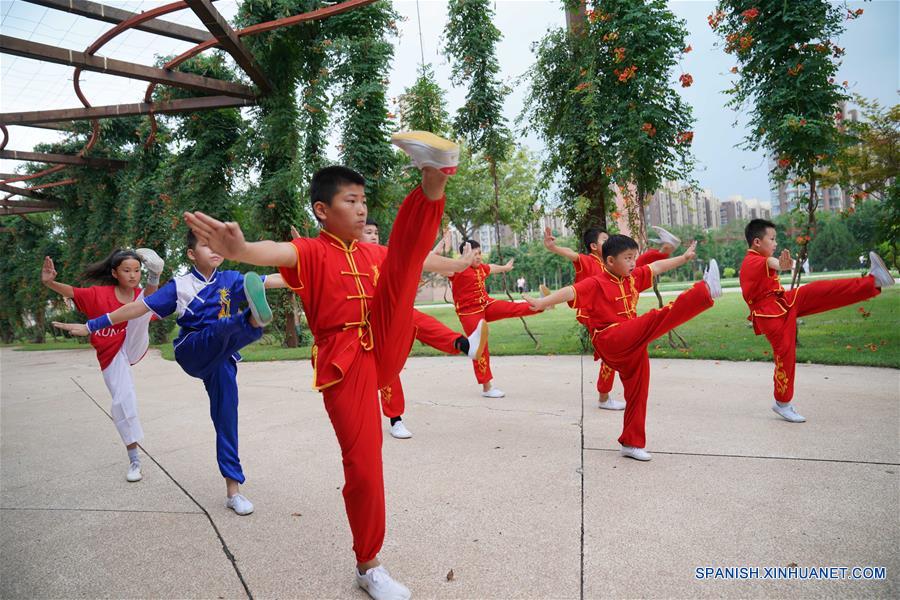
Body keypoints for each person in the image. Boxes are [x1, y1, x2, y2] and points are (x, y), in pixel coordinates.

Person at [183, 131, 458, 600]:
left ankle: (435, 177)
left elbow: (416, 256)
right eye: (351, 200)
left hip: (386, 340)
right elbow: (272, 250)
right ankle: (369, 566)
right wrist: (242, 252)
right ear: (322, 211)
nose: (361, 208)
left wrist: (464, 264)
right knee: (364, 465)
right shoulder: (310, 251)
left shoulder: (376, 251)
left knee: (401, 265)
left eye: (364, 200)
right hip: (345, 362)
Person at [54, 232, 284, 516]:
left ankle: (233, 491)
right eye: (205, 245)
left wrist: (315, 266)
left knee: (227, 418)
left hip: (222, 357)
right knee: (224, 328)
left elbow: (277, 280)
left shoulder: (233, 280)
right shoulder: (181, 286)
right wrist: (92, 326)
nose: (214, 249)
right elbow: (136, 308)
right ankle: (251, 321)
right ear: (190, 254)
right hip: (192, 349)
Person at [527, 234, 722, 461]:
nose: (633, 263)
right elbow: (571, 291)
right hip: (610, 338)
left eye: (634, 257)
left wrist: (684, 257)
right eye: (628, 258)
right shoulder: (596, 282)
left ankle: (632, 443)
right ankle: (704, 291)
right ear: (610, 261)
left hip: (632, 342)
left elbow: (656, 266)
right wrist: (542, 302)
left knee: (639, 393)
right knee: (652, 319)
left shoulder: (633, 277)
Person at [738, 219, 893, 423]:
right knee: (785, 357)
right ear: (757, 242)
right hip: (771, 316)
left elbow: (776, 264)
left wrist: (786, 264)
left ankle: (873, 281)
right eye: (772, 239)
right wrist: (782, 264)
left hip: (783, 302)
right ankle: (782, 404)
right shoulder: (754, 260)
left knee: (820, 290)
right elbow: (772, 263)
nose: (775, 243)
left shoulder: (759, 258)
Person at [357, 218, 487, 439]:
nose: (373, 235)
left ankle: (464, 344)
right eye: (368, 232)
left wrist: (456, 261)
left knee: (413, 318)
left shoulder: (384, 254)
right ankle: (395, 419)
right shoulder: (350, 257)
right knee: (386, 373)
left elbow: (421, 258)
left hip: (392, 315)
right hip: (366, 325)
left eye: (376, 232)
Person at [42, 247, 163, 482]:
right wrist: (49, 283)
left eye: (137, 271)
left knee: (143, 306)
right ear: (115, 273)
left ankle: (155, 274)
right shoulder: (98, 294)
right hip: (112, 354)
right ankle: (134, 459)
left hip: (134, 341)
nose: (132, 275)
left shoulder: (140, 293)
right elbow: (73, 292)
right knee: (122, 401)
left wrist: (153, 282)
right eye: (127, 270)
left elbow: (151, 304)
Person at [542, 225, 680, 410]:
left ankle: (665, 249)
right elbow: (572, 255)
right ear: (593, 246)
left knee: (616, 356)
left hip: (616, 314)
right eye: (604, 240)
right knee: (612, 357)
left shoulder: (618, 266)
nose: (609, 242)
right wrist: (554, 248)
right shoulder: (588, 261)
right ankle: (604, 396)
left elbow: (646, 266)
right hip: (597, 316)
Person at [441, 239, 543, 398]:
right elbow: (441, 269)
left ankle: (542, 304)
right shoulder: (456, 269)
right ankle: (487, 388)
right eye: (474, 254)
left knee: (512, 307)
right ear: (465, 255)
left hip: (486, 305)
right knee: (480, 347)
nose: (478, 257)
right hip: (470, 313)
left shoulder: (481, 268)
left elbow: (492, 268)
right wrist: (457, 258)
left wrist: (505, 268)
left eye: (480, 253)